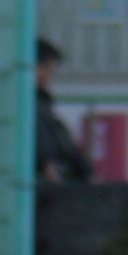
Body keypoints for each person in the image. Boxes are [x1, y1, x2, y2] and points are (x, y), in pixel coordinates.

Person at [35, 37, 94, 184]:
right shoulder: (31, 107)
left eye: (51, 71)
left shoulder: (43, 106)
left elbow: (66, 145)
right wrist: (43, 165)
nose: (48, 77)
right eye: (46, 69)